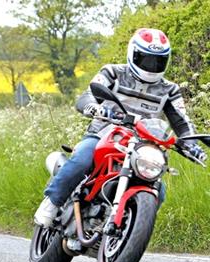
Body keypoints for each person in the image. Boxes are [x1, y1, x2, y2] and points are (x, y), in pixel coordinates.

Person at [34, 28, 207, 227]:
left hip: (143, 146)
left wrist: (192, 144)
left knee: (159, 190)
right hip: (104, 134)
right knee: (82, 160)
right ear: (132, 53)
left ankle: (126, 229)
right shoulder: (113, 72)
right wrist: (94, 107)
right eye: (146, 58)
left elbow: (182, 123)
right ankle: (52, 201)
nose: (151, 65)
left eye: (157, 60)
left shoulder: (170, 90)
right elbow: (86, 96)